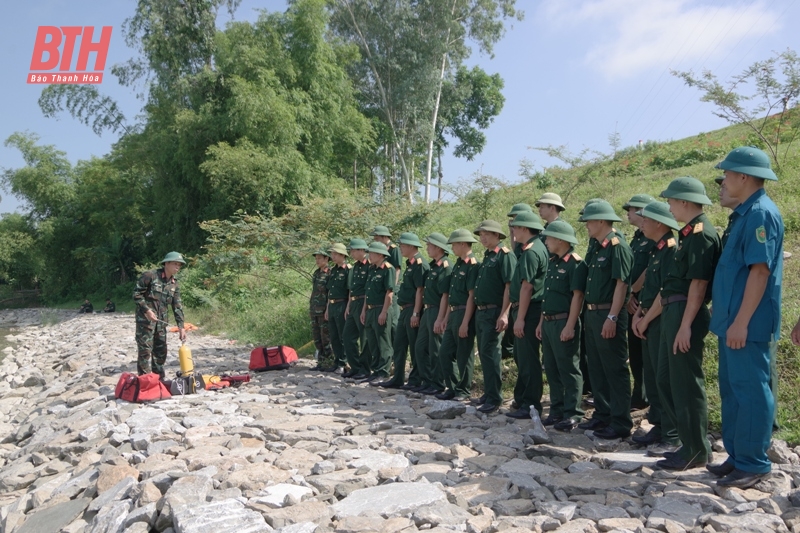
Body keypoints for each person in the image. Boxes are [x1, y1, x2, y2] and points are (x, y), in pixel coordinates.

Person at [710, 147, 783, 488]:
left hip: (747, 323)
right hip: (732, 322)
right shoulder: (743, 214)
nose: (723, 181)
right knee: (733, 390)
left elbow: (759, 272)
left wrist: (740, 322)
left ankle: (754, 463)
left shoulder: (760, 214)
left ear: (743, 177)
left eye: (726, 175)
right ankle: (738, 456)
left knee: (751, 390)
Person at [655, 177, 721, 470]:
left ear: (684, 201)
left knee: (686, 384)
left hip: (686, 313)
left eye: (671, 201)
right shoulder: (687, 234)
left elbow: (698, 284)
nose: (669, 206)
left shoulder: (701, 234)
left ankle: (696, 449)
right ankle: (688, 443)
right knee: (667, 380)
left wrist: (685, 325)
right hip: (675, 310)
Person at [577, 200, 634, 439]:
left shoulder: (617, 245)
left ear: (601, 221)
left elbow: (622, 284)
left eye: (589, 221)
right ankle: (602, 414)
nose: (586, 226)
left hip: (608, 312)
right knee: (597, 366)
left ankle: (620, 421)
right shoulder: (597, 246)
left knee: (614, 367)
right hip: (592, 312)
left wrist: (612, 316)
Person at [630, 202, 681, 455]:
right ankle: (659, 426)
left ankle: (672, 434)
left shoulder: (671, 250)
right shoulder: (656, 250)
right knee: (652, 377)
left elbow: (665, 292)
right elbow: (649, 287)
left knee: (664, 377)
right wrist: (639, 314)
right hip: (648, 318)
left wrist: (646, 318)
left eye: (646, 219)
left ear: (659, 223)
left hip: (660, 320)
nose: (642, 223)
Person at [536, 220, 587, 431]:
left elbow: (578, 297)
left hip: (564, 321)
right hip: (548, 323)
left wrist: (570, 325)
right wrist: (541, 322)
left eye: (548, 237)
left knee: (569, 368)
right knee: (552, 368)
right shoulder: (553, 263)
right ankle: (556, 410)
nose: (546, 241)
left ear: (559, 239)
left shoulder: (575, 264)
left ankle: (573, 412)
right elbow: (547, 297)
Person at [471, 220, 517, 413]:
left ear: (497, 236)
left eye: (487, 234)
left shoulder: (504, 256)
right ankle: (488, 393)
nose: (483, 238)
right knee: (484, 353)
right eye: (481, 235)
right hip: (482, 311)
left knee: (491, 353)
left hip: (494, 311)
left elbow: (509, 286)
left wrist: (504, 313)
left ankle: (495, 397)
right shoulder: (488, 256)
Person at [506, 211, 549, 419]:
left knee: (529, 359)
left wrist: (520, 318)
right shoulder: (529, 249)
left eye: (515, 227)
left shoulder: (532, 252)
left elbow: (527, 287)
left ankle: (531, 404)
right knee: (522, 357)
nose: (512, 230)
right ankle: (523, 398)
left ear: (524, 228)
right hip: (525, 309)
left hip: (529, 310)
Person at [376, 233, 429, 389]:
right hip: (404, 309)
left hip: (413, 308)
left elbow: (420, 291)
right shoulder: (411, 264)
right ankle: (398, 377)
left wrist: (416, 313)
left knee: (414, 347)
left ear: (412, 246)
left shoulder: (420, 264)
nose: (400, 248)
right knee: (399, 345)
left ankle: (415, 379)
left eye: (403, 246)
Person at [436, 229, 480, 402]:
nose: (452, 248)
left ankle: (463, 389)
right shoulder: (459, 265)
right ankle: (452, 386)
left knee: (464, 354)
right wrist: (446, 318)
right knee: (445, 352)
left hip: (464, 312)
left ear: (463, 244)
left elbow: (471, 296)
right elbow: (450, 296)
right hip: (453, 312)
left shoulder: (473, 265)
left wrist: (465, 322)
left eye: (454, 244)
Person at [623, 194, 656, 411]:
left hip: (647, 301)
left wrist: (633, 291)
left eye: (632, 208)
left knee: (647, 352)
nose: (628, 212)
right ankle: (639, 393)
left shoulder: (654, 236)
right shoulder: (636, 238)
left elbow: (652, 267)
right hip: (632, 301)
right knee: (634, 351)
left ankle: (648, 396)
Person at [133, 252, 187, 378]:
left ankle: (159, 379)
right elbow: (137, 294)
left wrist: (181, 326)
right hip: (145, 322)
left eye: (179, 265)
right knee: (145, 351)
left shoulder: (174, 283)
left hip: (161, 323)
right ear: (166, 263)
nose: (177, 267)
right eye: (175, 263)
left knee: (161, 351)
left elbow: (177, 306)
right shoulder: (150, 276)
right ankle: (145, 380)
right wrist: (147, 310)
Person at [414, 233, 452, 395]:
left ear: (438, 247)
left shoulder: (445, 266)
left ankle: (438, 383)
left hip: (437, 309)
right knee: (420, 347)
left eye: (430, 245)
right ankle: (427, 380)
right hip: (428, 309)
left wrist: (441, 318)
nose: (427, 248)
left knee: (436, 347)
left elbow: (445, 295)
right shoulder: (433, 266)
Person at [361, 242, 396, 381]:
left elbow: (389, 293)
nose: (369, 255)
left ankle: (383, 372)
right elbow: (367, 292)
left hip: (381, 309)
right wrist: (364, 310)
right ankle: (375, 370)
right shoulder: (372, 269)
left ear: (380, 254)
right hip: (370, 310)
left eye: (372, 253)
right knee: (372, 342)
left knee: (383, 342)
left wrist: (384, 312)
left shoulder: (388, 269)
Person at [342, 239, 372, 379]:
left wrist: (364, 308)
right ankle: (355, 366)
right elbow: (351, 288)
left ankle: (365, 369)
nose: (351, 253)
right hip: (353, 303)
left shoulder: (370, 265)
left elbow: (368, 289)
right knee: (347, 336)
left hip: (363, 302)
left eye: (354, 251)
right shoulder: (356, 266)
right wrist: (348, 305)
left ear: (361, 250)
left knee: (364, 338)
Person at [325, 243, 351, 373]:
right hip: (332, 304)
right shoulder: (333, 270)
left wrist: (348, 307)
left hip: (342, 304)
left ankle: (344, 362)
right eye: (332, 254)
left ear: (342, 255)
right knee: (334, 335)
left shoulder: (348, 269)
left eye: (335, 254)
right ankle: (337, 361)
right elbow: (330, 291)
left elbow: (350, 290)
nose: (333, 256)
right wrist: (327, 308)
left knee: (343, 335)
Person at [309, 250, 334, 371]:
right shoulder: (316, 273)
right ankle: (321, 362)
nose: (317, 261)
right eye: (316, 258)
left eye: (319, 258)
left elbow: (330, 294)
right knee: (317, 337)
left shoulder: (330, 273)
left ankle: (329, 362)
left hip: (324, 310)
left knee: (326, 338)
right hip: (314, 310)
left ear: (326, 259)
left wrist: (328, 309)